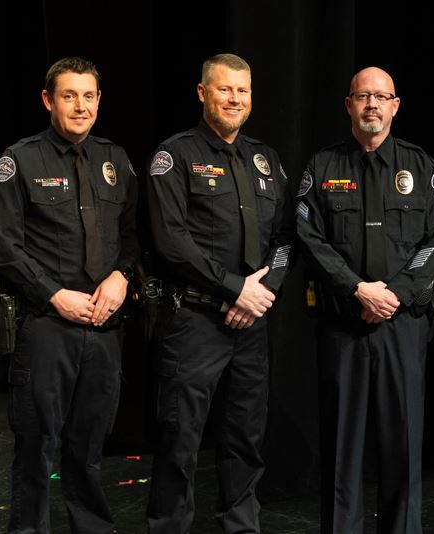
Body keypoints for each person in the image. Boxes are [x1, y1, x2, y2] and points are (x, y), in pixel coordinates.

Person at [0, 56, 139, 533]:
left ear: (98, 101)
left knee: (89, 446)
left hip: (104, 325)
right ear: (48, 100)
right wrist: (55, 295)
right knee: (36, 444)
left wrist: (122, 277)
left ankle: (90, 527)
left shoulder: (115, 159)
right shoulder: (21, 160)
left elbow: (132, 235)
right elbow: (2, 247)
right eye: (69, 95)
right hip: (47, 326)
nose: (80, 105)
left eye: (89, 95)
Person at [296, 66, 434, 534]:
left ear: (395, 106)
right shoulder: (322, 167)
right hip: (343, 323)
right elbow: (308, 236)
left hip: (402, 325)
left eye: (382, 97)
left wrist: (395, 294)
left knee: (402, 445)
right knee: (342, 447)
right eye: (363, 96)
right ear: (348, 104)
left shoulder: (421, 167)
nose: (372, 105)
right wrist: (356, 288)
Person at [145, 53, 294, 533]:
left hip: (252, 324)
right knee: (180, 438)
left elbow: (286, 238)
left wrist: (262, 291)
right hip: (195, 322)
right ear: (203, 92)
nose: (235, 99)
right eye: (225, 89)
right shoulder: (175, 155)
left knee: (245, 436)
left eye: (243, 91)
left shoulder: (265, 159)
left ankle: (240, 525)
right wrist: (234, 290)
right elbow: (170, 241)